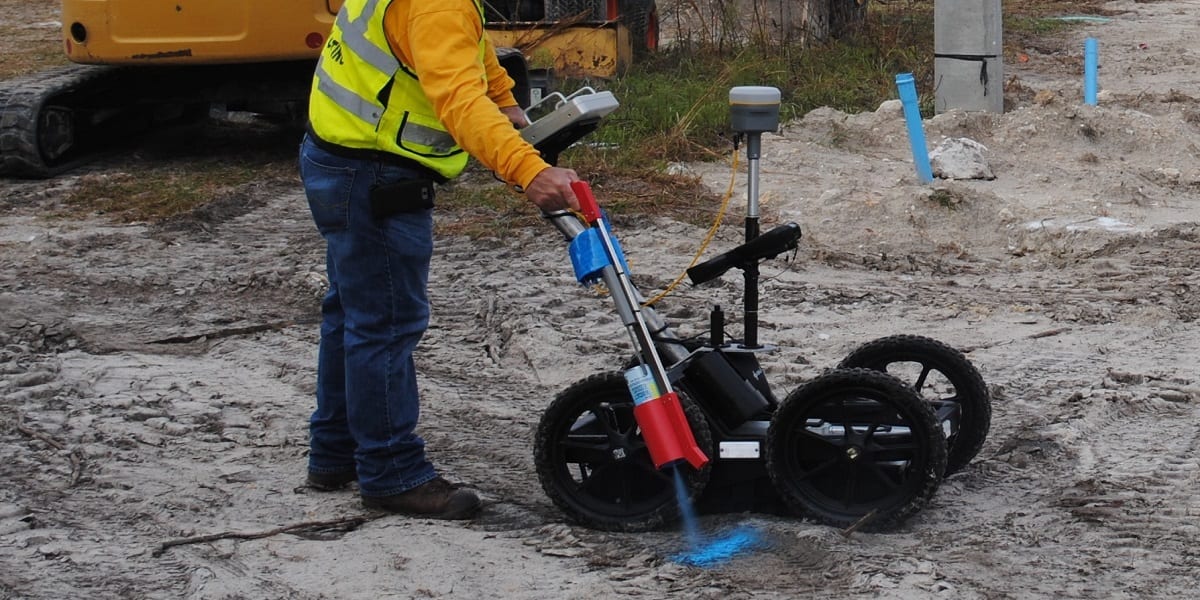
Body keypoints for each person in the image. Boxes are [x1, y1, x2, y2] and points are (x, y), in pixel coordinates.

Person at [298, 0, 581, 520]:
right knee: (384, 323)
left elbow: (468, 48)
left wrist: (504, 97)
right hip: (374, 171)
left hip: (338, 153)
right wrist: (528, 170)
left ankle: (335, 451)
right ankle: (391, 472)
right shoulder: (438, 4)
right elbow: (457, 99)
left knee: (351, 313)